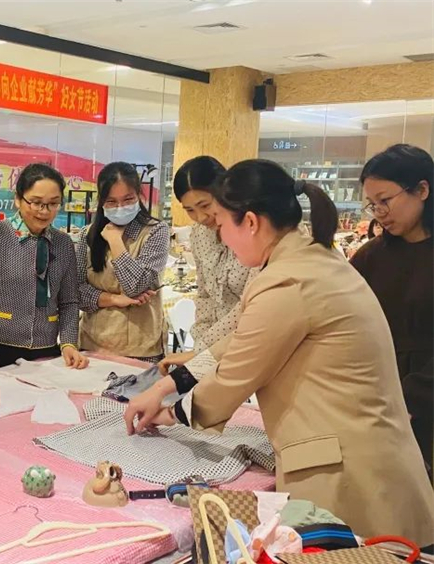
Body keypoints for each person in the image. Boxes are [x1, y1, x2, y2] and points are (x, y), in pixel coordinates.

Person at [124, 159, 434, 546]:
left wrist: (172, 413)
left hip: (355, 476)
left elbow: (236, 374)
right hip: (374, 460)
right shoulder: (307, 259)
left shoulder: (289, 280)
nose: (220, 235)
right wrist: (167, 384)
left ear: (251, 222)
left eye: (221, 223)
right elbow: (238, 340)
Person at [351, 144, 433, 468]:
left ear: (422, 190)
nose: (379, 212)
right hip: (378, 396)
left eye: (385, 200)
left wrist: (410, 399)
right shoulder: (371, 255)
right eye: (373, 204)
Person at [0, 163, 88, 370]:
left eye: (53, 204)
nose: (44, 211)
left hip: (46, 349)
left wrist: (69, 343)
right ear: (18, 199)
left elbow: (69, 301)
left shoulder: (63, 243)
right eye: (36, 203)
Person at [75, 162, 169, 362]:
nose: (120, 208)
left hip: (141, 349)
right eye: (111, 201)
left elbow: (135, 286)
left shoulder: (156, 231)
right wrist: (115, 299)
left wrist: (115, 241)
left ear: (139, 195)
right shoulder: (87, 235)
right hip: (93, 344)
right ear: (101, 202)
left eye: (128, 199)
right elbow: (76, 292)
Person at [171, 156, 256, 354]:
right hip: (211, 347)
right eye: (190, 210)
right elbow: (204, 295)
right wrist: (201, 341)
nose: (200, 217)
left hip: (246, 343)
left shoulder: (252, 233)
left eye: (205, 205)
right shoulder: (199, 234)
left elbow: (248, 306)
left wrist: (204, 349)